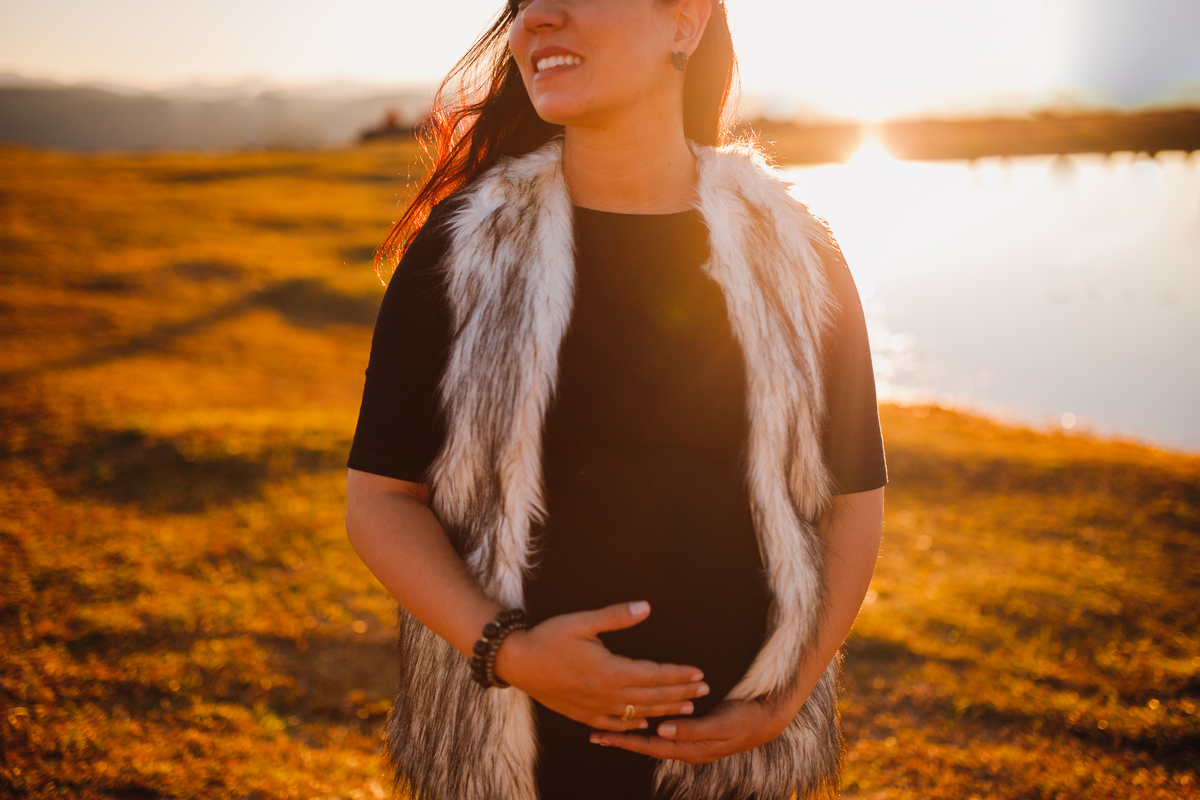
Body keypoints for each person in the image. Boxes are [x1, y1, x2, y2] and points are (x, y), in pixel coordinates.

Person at [344, 1, 886, 798]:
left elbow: (854, 500)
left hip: (735, 770)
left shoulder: (798, 254)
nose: (540, 18)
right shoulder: (463, 251)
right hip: (520, 763)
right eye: (526, 1)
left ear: (685, 23)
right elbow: (382, 502)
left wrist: (785, 697)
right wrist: (513, 653)